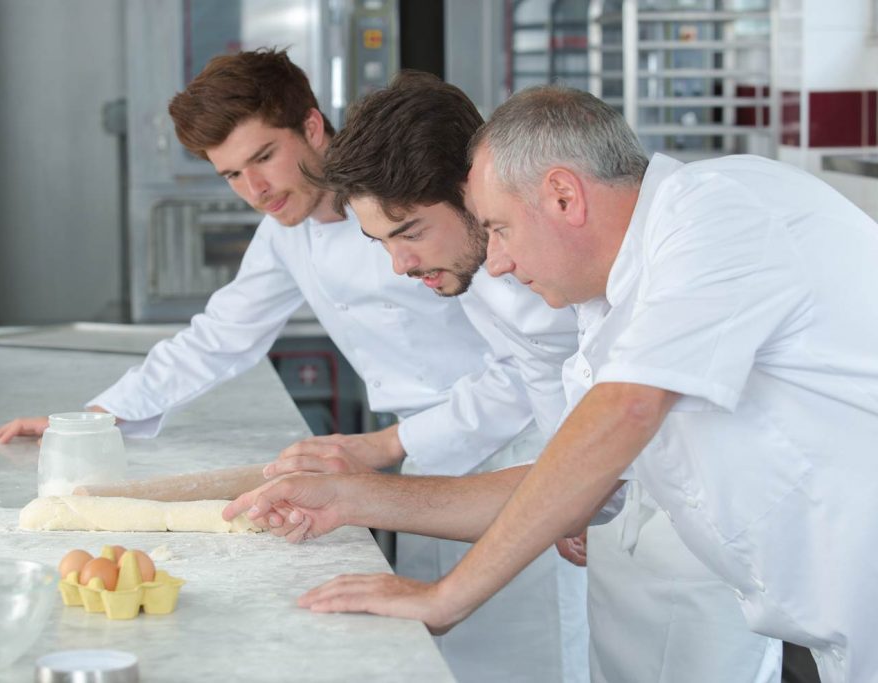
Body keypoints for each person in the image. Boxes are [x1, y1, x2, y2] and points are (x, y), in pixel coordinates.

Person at [226, 85, 878, 683]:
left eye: (501, 227)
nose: (499, 259)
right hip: (826, 621)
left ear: (563, 194)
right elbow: (576, 492)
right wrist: (349, 500)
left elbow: (622, 414)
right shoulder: (607, 310)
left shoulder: (717, 210)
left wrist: (446, 595)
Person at [0, 50, 582, 683]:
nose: (256, 190)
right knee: (442, 659)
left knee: (523, 655)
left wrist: (383, 445)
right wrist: (95, 419)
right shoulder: (288, 229)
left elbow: (529, 369)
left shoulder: (444, 217)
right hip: (427, 461)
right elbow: (222, 334)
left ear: (312, 127)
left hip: (518, 451)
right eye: (232, 175)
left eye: (264, 157)